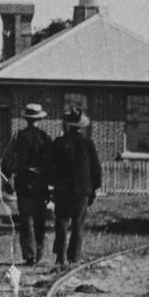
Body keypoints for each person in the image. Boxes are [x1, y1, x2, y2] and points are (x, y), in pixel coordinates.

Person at [47, 107, 103, 269]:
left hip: (63, 190)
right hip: (82, 191)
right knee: (78, 224)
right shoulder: (88, 144)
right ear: (81, 126)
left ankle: (60, 257)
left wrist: (53, 184)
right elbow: (96, 169)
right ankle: (74, 257)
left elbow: (51, 167)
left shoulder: (58, 143)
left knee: (61, 222)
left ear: (68, 125)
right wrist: (93, 189)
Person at [1, 103, 54, 264]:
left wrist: (7, 176)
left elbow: (6, 158)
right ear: (39, 119)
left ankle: (29, 254)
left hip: (24, 182)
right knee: (40, 219)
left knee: (26, 219)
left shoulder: (18, 136)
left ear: (26, 119)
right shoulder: (45, 137)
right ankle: (38, 254)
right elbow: (52, 162)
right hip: (41, 183)